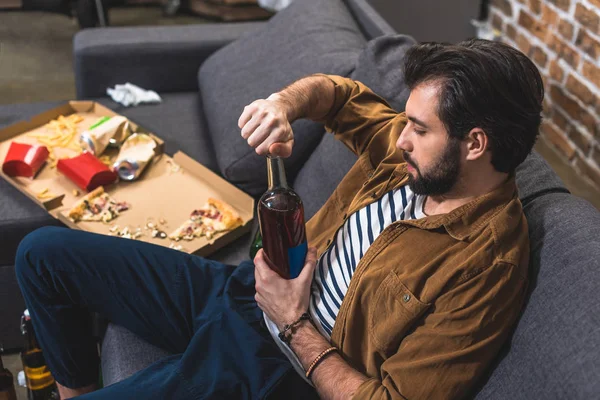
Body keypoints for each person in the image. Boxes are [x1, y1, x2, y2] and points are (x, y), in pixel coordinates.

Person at [15, 38, 543, 400]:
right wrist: (282, 106)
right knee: (41, 254)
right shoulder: (419, 161)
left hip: (276, 364)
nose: (400, 138)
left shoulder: (487, 263)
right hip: (247, 290)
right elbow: (339, 95)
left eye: (420, 130)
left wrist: (293, 324)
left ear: (476, 144)